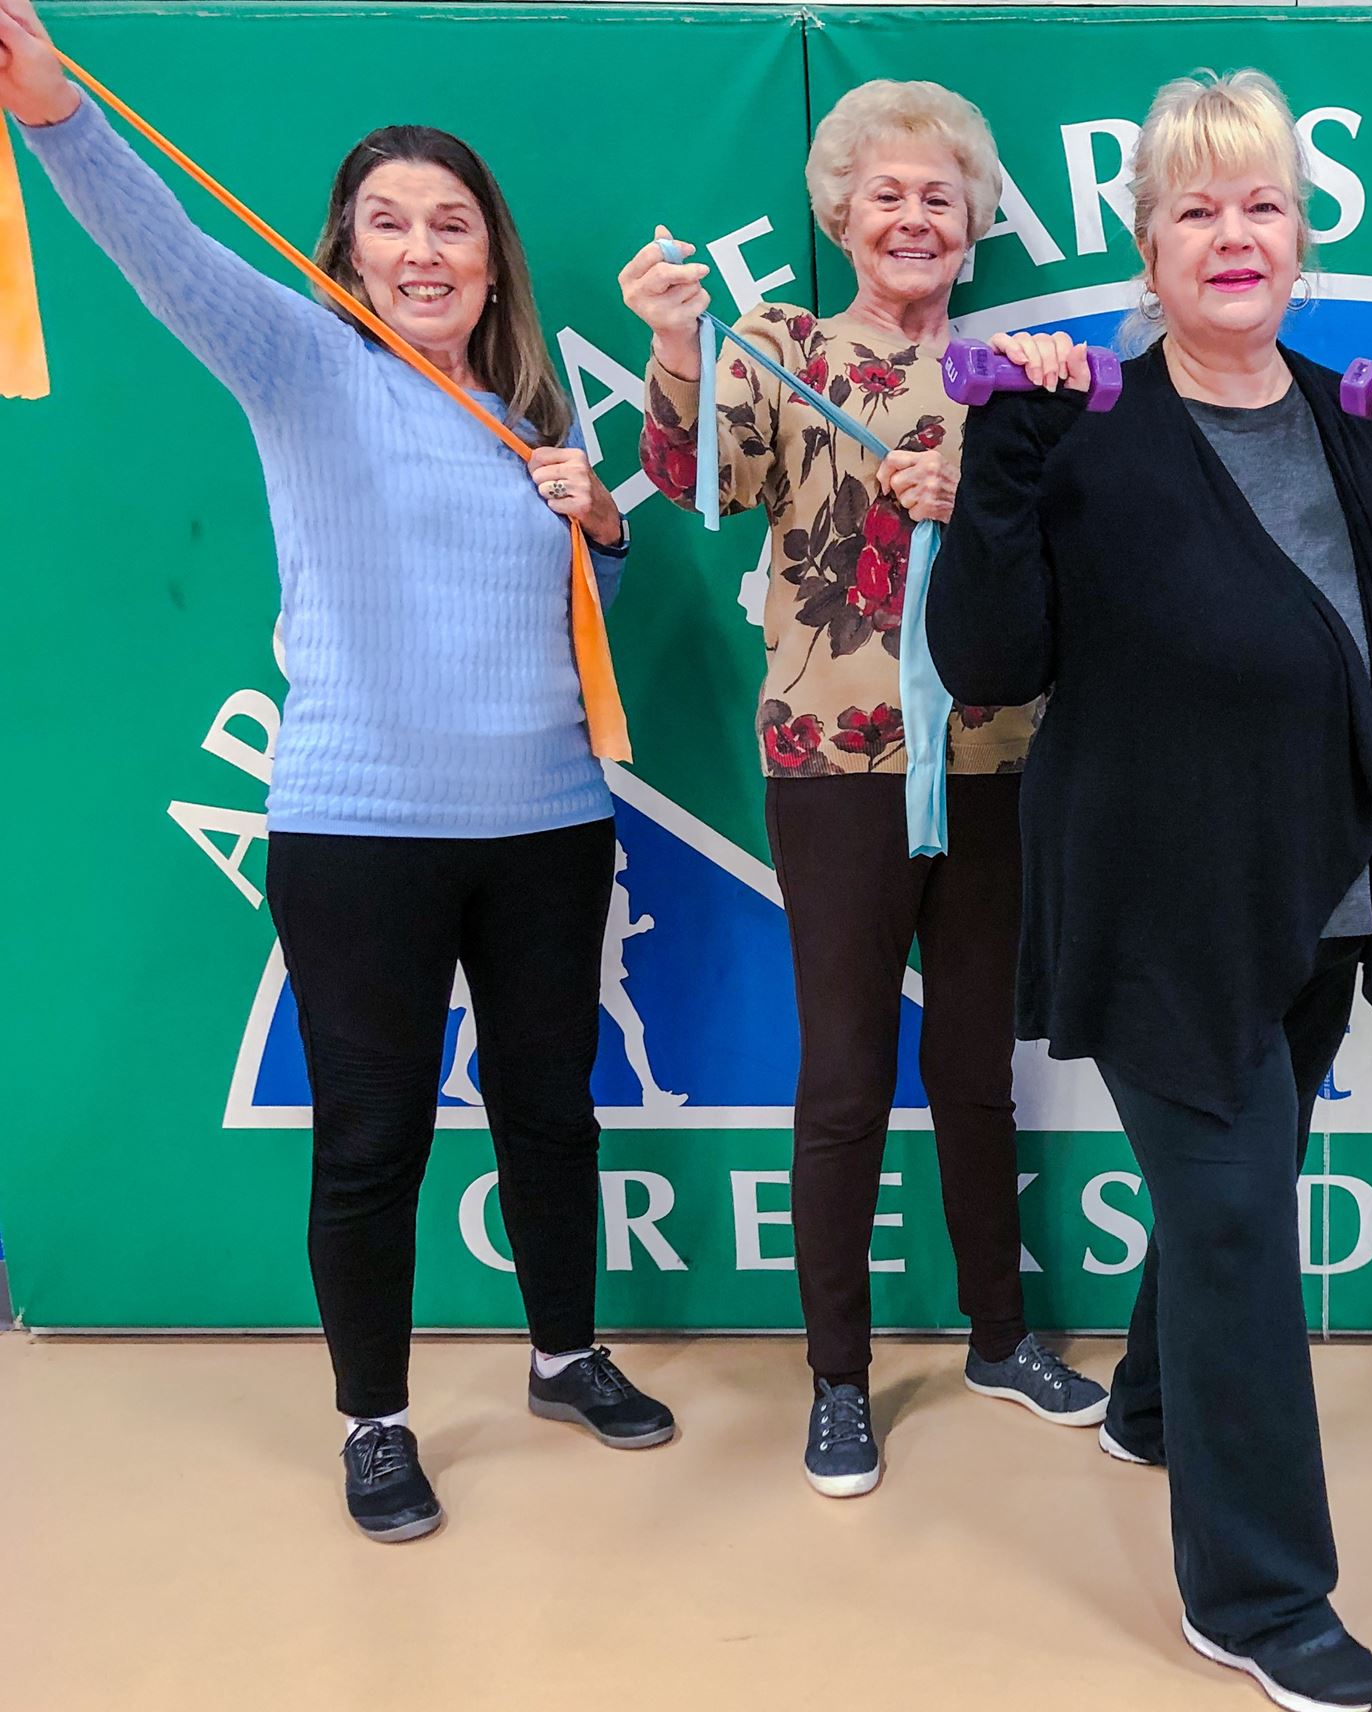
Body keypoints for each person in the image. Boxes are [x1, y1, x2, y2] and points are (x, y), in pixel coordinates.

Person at [1, 0, 672, 1543]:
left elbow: (577, 620)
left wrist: (607, 529)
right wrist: (53, 114)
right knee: (373, 1140)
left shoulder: (526, 423)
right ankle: (376, 1423)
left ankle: (565, 1357)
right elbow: (166, 249)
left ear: (494, 258)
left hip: (551, 826)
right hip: (360, 834)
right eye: (392, 224)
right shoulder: (299, 362)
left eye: (454, 225)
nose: (425, 248)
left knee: (549, 1112)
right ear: (349, 252)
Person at [930, 68, 1372, 1712]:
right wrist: (1000, 456)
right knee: (1233, 1220)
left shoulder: (1366, 418)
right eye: (1194, 205)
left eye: (1259, 201)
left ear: (1302, 233)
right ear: (1147, 243)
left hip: (1330, 896)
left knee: (1232, 1191)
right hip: (1156, 908)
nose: (1231, 232)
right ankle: (1262, 1599)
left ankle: (1145, 1402)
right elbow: (985, 662)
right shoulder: (1082, 429)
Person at [619, 77, 1105, 1502]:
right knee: (841, 1073)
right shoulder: (779, 348)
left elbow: (1082, 563)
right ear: (841, 213)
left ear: (972, 229)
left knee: (976, 1068)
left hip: (998, 761)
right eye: (885, 193)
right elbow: (694, 478)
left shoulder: (1022, 382)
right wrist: (671, 342)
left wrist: (993, 497)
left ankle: (1000, 1338)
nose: (911, 217)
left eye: (938, 197)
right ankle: (836, 1377)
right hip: (834, 768)